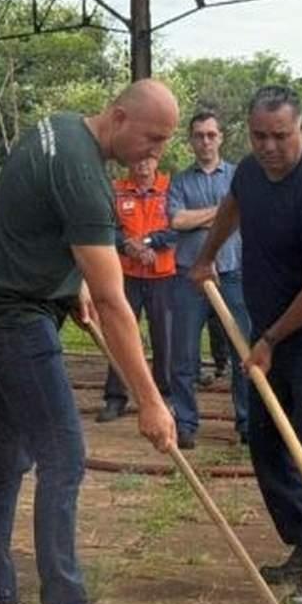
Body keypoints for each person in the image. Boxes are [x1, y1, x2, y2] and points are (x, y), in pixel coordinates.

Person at [0, 80, 178, 604]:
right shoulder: (84, 178)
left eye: (163, 144)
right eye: (150, 138)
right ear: (121, 116)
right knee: (64, 454)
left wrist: (65, 281)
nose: (153, 155)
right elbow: (114, 304)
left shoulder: (62, 129)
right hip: (10, 314)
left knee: (7, 454)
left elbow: (38, 225)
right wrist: (151, 402)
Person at [191, 85, 302, 586]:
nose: (268, 146)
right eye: (259, 135)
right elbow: (233, 205)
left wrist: (269, 340)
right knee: (266, 442)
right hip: (272, 331)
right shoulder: (248, 171)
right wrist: (207, 256)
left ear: (300, 130)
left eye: (280, 136)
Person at [166, 110, 250, 449]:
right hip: (190, 278)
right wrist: (222, 211)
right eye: (199, 135)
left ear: (221, 137)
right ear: (191, 140)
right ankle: (185, 423)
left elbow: (245, 210)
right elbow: (177, 221)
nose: (205, 141)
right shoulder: (181, 181)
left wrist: (201, 217)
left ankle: (246, 423)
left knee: (243, 353)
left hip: (233, 274)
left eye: (211, 135)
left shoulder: (239, 176)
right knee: (183, 356)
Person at [96, 157, 177, 423]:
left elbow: (177, 226)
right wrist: (126, 245)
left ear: (157, 161)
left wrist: (148, 243)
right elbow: (109, 228)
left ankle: (163, 397)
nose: (142, 164)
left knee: (163, 338)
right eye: (137, 159)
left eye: (148, 159)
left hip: (162, 274)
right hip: (126, 275)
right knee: (120, 335)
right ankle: (115, 397)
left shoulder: (171, 188)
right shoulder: (116, 190)